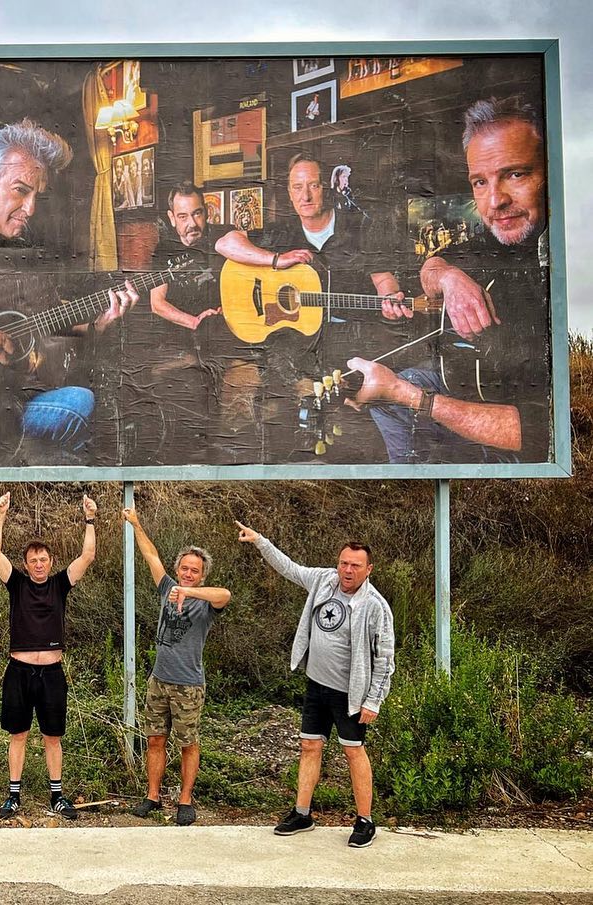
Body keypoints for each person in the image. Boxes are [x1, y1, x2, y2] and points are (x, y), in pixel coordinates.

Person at [350, 95, 551, 463]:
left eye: (516, 174)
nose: (495, 201)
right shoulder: (495, 240)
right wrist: (449, 277)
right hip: (468, 389)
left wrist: (407, 394)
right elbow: (432, 265)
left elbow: (537, 431)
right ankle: (410, 497)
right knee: (385, 397)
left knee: (395, 390)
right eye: (479, 182)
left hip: (514, 439)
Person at [0, 120, 139, 465]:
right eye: (20, 190)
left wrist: (98, 324)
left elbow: (48, 317)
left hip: (15, 395)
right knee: (79, 405)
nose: (31, 208)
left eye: (37, 196)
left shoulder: (27, 248)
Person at [213, 153, 409, 461]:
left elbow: (383, 279)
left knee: (358, 428)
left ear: (326, 188)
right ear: (289, 192)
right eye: (297, 187)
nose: (305, 195)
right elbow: (224, 243)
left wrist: (390, 298)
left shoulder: (358, 229)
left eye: (314, 185)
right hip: (297, 352)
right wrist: (276, 260)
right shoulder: (279, 234)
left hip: (351, 345)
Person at [235, 520, 394, 849]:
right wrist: (260, 540)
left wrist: (373, 701)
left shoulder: (375, 606)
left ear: (369, 569)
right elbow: (289, 568)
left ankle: (365, 820)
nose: (347, 570)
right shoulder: (324, 580)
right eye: (343, 563)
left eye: (355, 565)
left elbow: (385, 659)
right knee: (310, 746)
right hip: (316, 686)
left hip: (350, 695)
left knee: (353, 751)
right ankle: (302, 813)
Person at [0, 491, 98, 821]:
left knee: (53, 737)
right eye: (33, 560)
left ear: (51, 562)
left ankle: (56, 796)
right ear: (26, 564)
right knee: (18, 734)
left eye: (44, 560)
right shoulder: (16, 584)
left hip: (51, 674)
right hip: (19, 671)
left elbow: (88, 555)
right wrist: (1, 515)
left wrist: (90, 518)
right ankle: (13, 796)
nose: (39, 564)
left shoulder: (60, 584)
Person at [123, 507, 230, 825]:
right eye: (184, 569)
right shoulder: (167, 587)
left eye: (193, 570)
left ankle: (185, 800)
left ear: (201, 574)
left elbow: (225, 595)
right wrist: (137, 524)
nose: (187, 573)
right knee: (155, 739)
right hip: (159, 680)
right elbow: (151, 555)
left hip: (188, 684)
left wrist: (189, 591)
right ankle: (152, 796)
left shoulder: (206, 601)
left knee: (187, 742)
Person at [127, 182, 230, 463]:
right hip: (181, 338)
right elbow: (157, 304)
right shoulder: (164, 253)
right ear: (172, 218)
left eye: (197, 214)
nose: (191, 224)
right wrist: (194, 321)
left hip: (225, 331)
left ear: (206, 213)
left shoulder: (220, 239)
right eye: (183, 217)